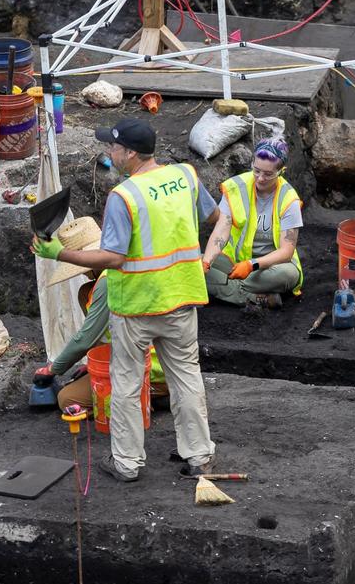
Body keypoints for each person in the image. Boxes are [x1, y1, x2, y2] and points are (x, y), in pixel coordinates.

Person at [33, 118, 219, 482]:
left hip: (136, 306)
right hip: (182, 298)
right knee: (188, 380)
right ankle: (199, 456)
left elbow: (113, 258)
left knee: (127, 385)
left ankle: (128, 462)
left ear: (130, 153)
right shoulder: (184, 176)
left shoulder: (124, 196)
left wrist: (59, 255)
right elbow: (213, 216)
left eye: (113, 148)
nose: (109, 153)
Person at [34, 217, 166, 412]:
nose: (82, 273)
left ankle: (142, 398)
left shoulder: (108, 282)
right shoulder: (123, 267)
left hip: (149, 367)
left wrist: (52, 369)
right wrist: (93, 364)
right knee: (85, 292)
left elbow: (85, 338)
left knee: (67, 399)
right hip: (145, 357)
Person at [201, 137, 303, 310]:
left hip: (268, 267)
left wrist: (252, 265)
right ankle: (255, 297)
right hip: (233, 262)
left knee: (290, 274)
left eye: (268, 174)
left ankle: (223, 287)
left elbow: (287, 251)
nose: (260, 178)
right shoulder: (235, 188)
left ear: (281, 172)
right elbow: (220, 232)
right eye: (256, 171)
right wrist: (207, 262)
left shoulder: (288, 200)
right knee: (192, 262)